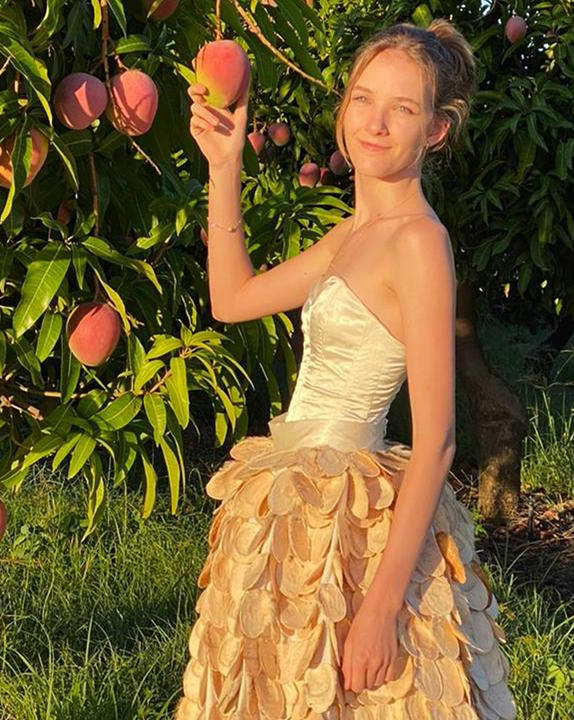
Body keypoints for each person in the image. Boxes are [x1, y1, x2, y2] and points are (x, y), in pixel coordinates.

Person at [175, 19, 517, 719]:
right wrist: (224, 168)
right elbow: (231, 298)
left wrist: (382, 606)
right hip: (294, 500)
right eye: (364, 99)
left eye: (403, 109)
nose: (376, 124)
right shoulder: (352, 233)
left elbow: (439, 441)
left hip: (355, 517)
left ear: (437, 132)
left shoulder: (419, 242)